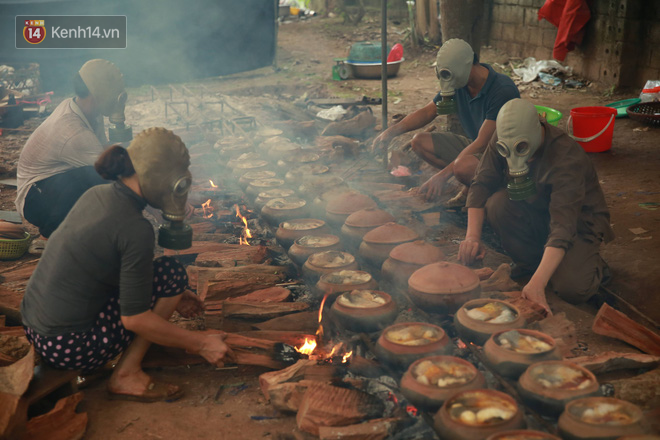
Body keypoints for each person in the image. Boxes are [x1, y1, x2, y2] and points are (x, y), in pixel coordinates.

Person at [21, 127, 231, 402]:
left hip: (35, 326)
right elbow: (135, 319)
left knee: (166, 277)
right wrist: (202, 343)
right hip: (69, 345)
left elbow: (108, 264)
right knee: (171, 274)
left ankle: (125, 364)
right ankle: (126, 375)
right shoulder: (135, 228)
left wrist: (167, 293)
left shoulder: (99, 194)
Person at [458, 99, 614, 313]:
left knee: (573, 289)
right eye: (506, 150)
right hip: (535, 208)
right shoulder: (503, 137)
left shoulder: (567, 158)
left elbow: (562, 226)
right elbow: (481, 184)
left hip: (578, 223)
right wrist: (472, 238)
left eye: (522, 148)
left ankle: (593, 266)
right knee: (497, 204)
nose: (514, 157)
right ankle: (533, 264)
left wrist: (538, 284)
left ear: (538, 130)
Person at [371, 39, 520, 202]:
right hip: (476, 148)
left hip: (503, 158)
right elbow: (428, 112)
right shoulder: (459, 82)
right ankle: (470, 182)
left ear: (468, 65)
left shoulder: (502, 90)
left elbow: (484, 143)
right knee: (419, 142)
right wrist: (391, 132)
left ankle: (490, 191)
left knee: (462, 167)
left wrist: (442, 176)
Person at [16, 59, 128, 238]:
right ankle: (53, 231)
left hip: (53, 184)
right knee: (96, 177)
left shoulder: (85, 111)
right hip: (35, 198)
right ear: (96, 94)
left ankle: (82, 226)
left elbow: (105, 151)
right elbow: (116, 175)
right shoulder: (72, 130)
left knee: (98, 175)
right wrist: (156, 206)